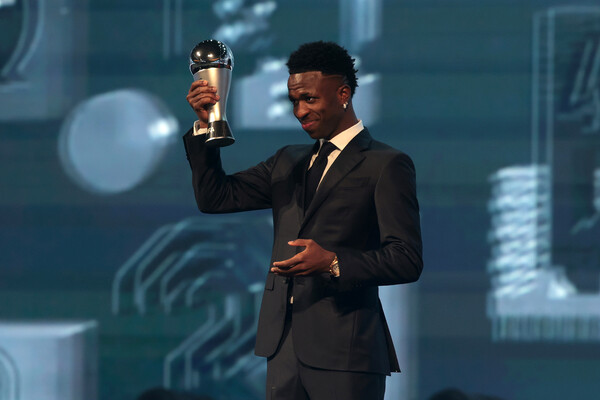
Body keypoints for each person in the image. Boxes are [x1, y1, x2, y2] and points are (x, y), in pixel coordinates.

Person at [183, 41, 423, 400]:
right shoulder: (287, 160)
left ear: (343, 94)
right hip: (282, 347)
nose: (299, 111)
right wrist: (206, 127)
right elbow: (215, 198)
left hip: (346, 351)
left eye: (309, 99)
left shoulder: (386, 164)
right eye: (294, 101)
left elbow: (406, 258)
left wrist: (333, 262)